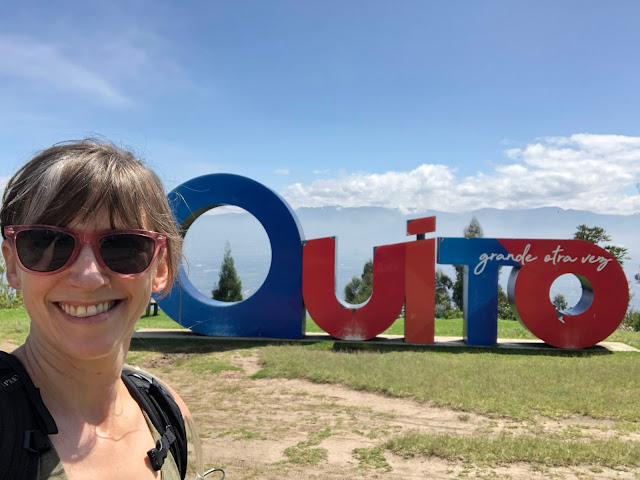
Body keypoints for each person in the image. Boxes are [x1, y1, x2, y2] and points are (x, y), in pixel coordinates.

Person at [0, 139, 185, 479]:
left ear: (161, 268)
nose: (88, 277)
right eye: (47, 242)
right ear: (12, 265)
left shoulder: (166, 412)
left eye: (124, 246)